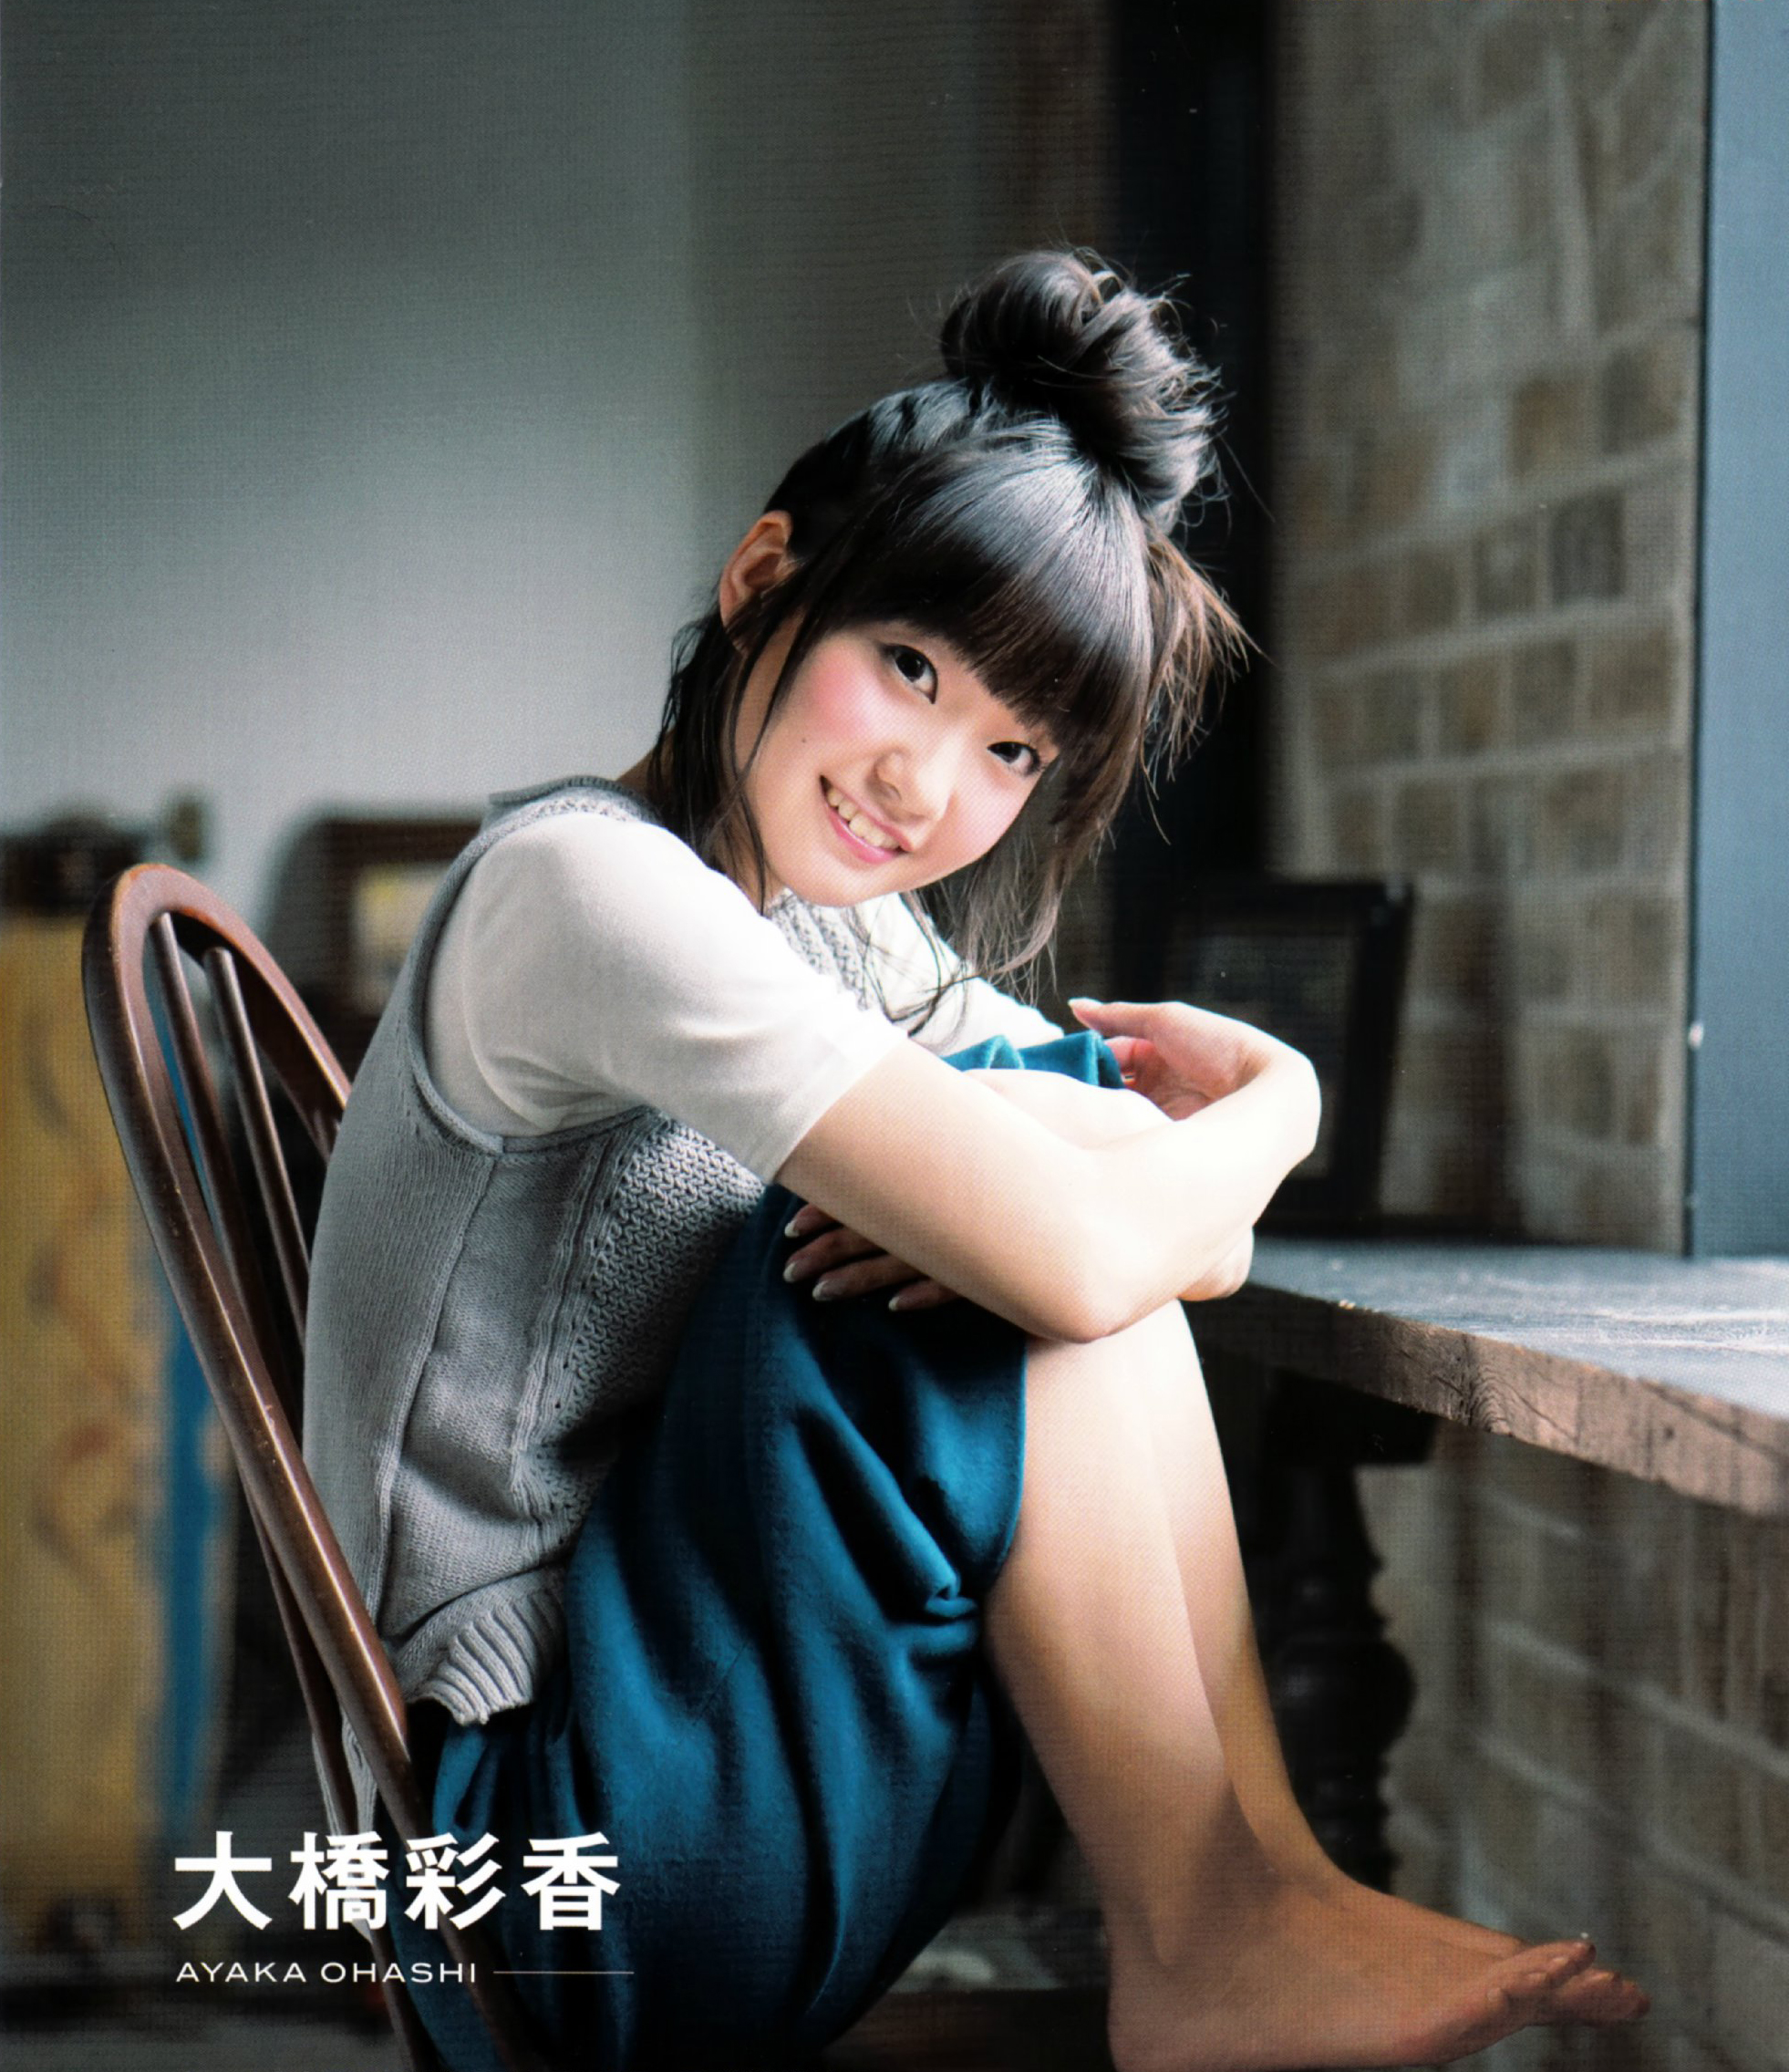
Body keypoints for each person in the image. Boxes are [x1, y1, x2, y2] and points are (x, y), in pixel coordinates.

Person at [305, 252, 1647, 2071]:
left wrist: (1146, 1168)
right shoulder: (585, 888)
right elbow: (1104, 1245)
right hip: (552, 1864)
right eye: (908, 668)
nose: (927, 787)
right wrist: (1282, 1113)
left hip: (732, 1776)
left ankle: (1253, 1889)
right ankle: (1211, 1924)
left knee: (1032, 1150)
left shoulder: (828, 920)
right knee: (1008, 1202)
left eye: (1009, 746)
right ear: (762, 581)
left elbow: (1140, 1214)